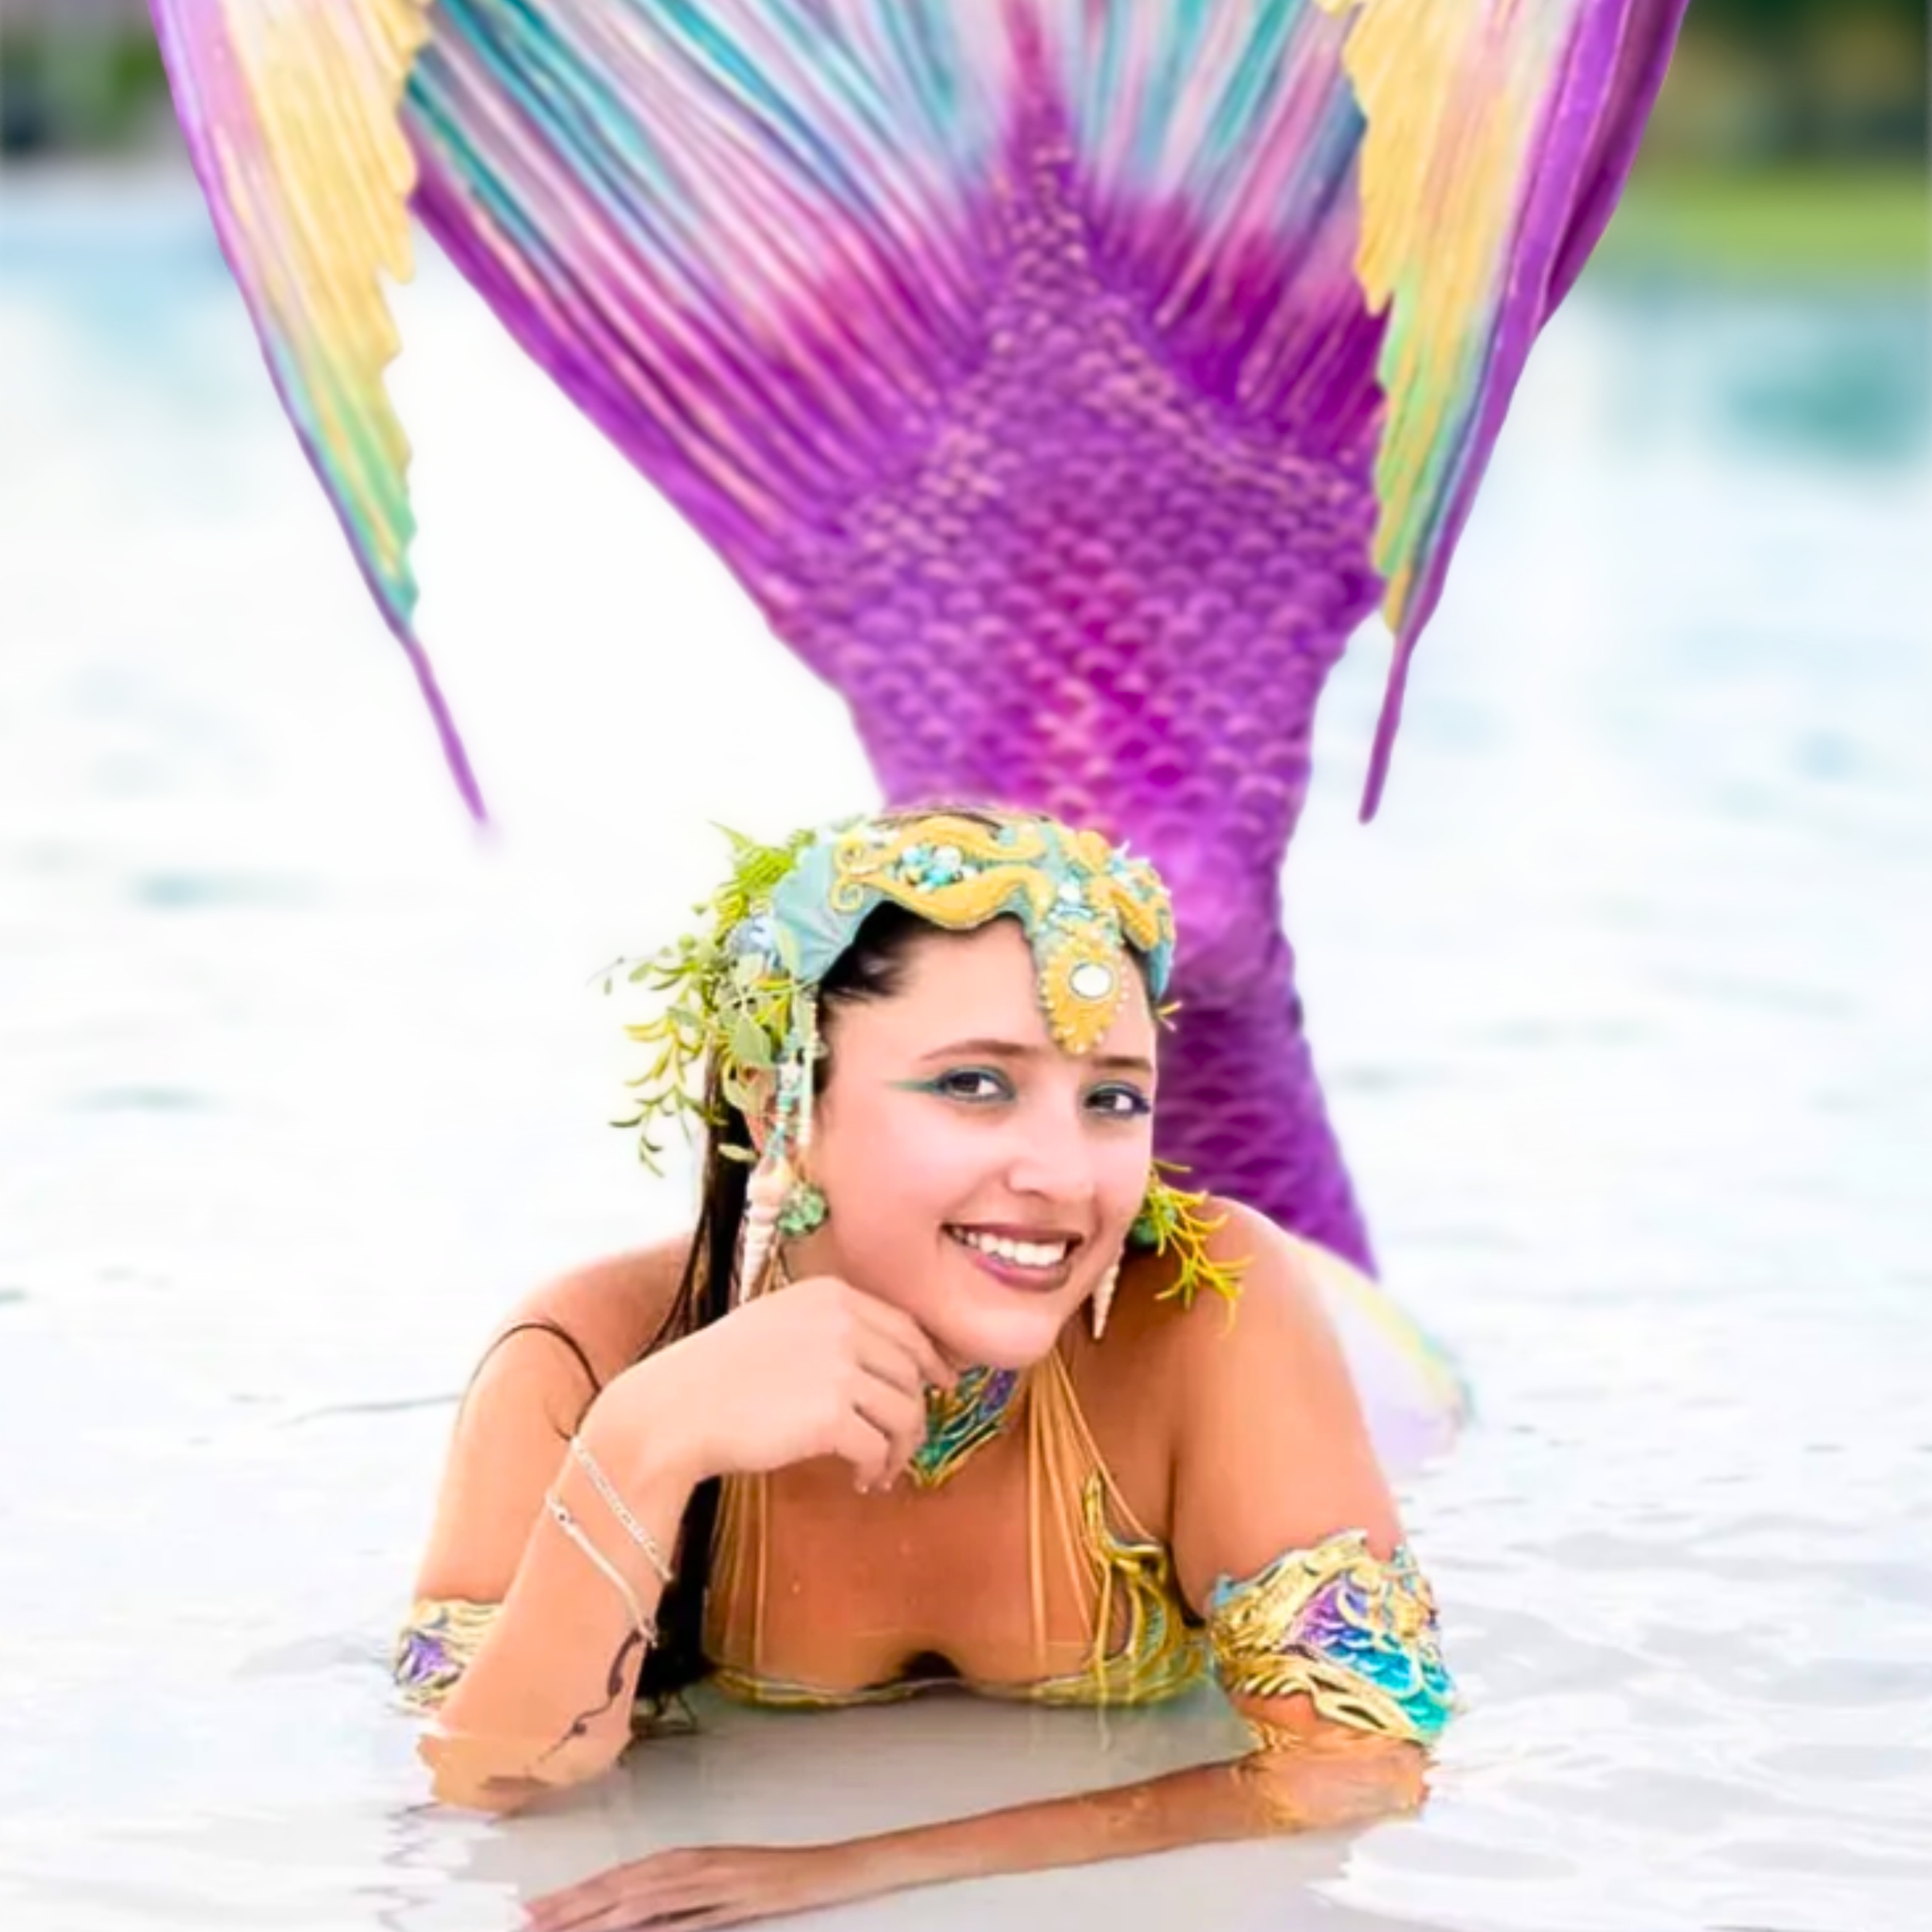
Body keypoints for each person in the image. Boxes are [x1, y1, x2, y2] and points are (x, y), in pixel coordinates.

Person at [151, 4, 1688, 1267]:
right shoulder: (659, 1391)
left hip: (1057, 443)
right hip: (1013, 447)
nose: (1047, 1157)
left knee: (1136, 923)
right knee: (1122, 923)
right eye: (976, 1088)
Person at [396, 806, 1459, 1923]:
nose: (1064, 1175)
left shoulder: (1209, 1316)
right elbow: (487, 1784)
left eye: (1111, 1098)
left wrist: (850, 1869)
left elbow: (1357, 1768)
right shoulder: (580, 1358)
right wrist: (642, 1444)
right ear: (779, 1106)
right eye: (974, 1085)